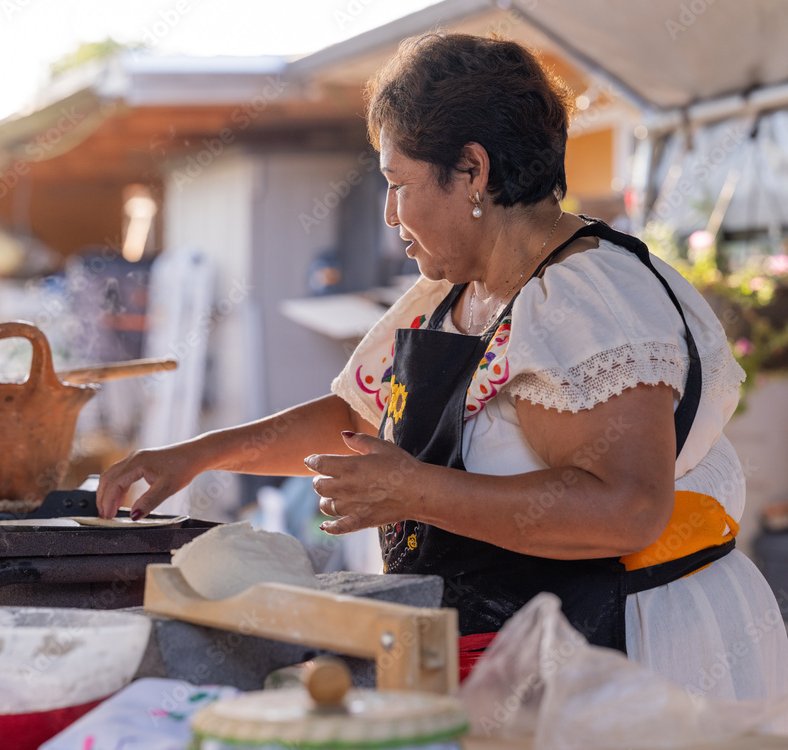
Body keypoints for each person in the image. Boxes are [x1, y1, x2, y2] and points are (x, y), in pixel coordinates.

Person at [98, 32, 788, 704]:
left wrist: (415, 491)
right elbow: (358, 417)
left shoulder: (588, 300)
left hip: (631, 650)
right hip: (497, 651)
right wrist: (193, 457)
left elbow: (629, 509)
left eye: (398, 184)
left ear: (473, 171)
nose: (392, 216)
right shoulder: (450, 292)